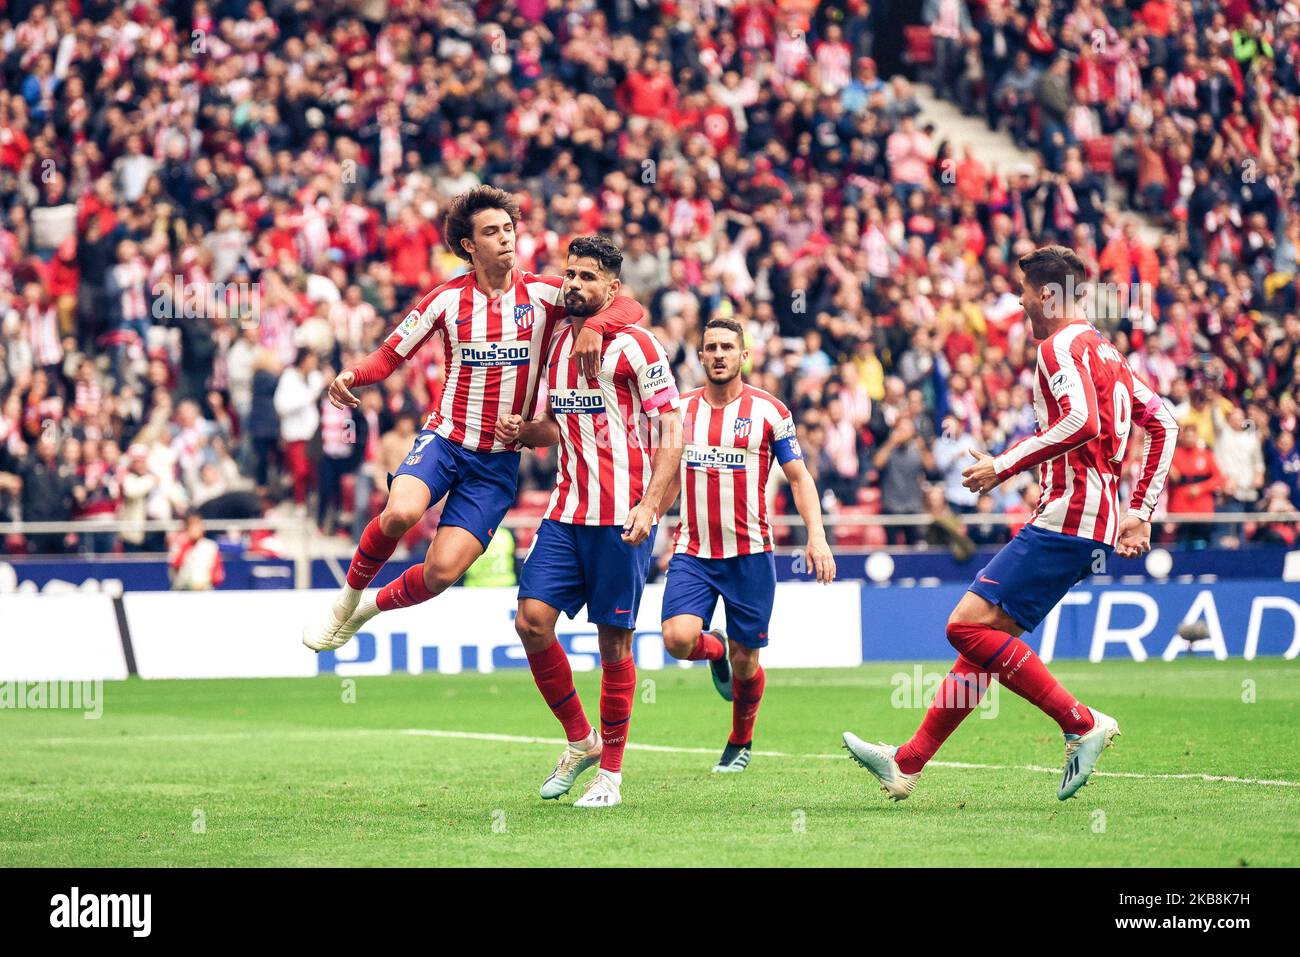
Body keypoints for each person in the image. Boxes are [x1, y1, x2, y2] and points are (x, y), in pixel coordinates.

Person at [844, 245, 1178, 802]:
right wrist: (1139, 511)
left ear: (1046, 294)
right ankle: (907, 763)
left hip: (1068, 516)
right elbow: (1163, 419)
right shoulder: (1108, 353)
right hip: (1086, 519)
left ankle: (1078, 721)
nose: (1020, 300)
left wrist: (1002, 465)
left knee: (964, 627)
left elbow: (1081, 421)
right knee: (983, 644)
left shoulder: (1056, 348)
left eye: (1024, 290)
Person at [301, 187, 640, 651]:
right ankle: (345, 599)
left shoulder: (546, 295)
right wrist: (351, 375)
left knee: (440, 574)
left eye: (508, 229)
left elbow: (626, 305)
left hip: (497, 463)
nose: (505, 239)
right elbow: (388, 355)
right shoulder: (444, 300)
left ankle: (369, 608)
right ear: (469, 245)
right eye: (491, 232)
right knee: (400, 511)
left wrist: (597, 327)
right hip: (445, 439)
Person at [500, 235, 683, 809]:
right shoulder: (556, 339)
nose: (574, 284)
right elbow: (563, 427)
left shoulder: (638, 345)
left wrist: (652, 505)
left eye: (587, 277)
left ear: (612, 287)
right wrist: (531, 433)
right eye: (569, 274)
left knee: (614, 645)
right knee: (531, 622)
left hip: (622, 515)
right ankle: (581, 740)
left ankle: (611, 775)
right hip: (566, 509)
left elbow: (672, 432)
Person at [657, 317, 835, 773]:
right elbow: (669, 475)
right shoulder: (680, 411)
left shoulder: (771, 412)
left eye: (727, 348)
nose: (718, 355)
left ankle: (740, 740)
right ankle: (710, 647)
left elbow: (799, 477)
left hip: (751, 555)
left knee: (747, 661)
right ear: (700, 356)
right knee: (678, 640)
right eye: (710, 347)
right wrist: (650, 513)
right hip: (693, 551)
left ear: (743, 356)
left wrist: (816, 535)